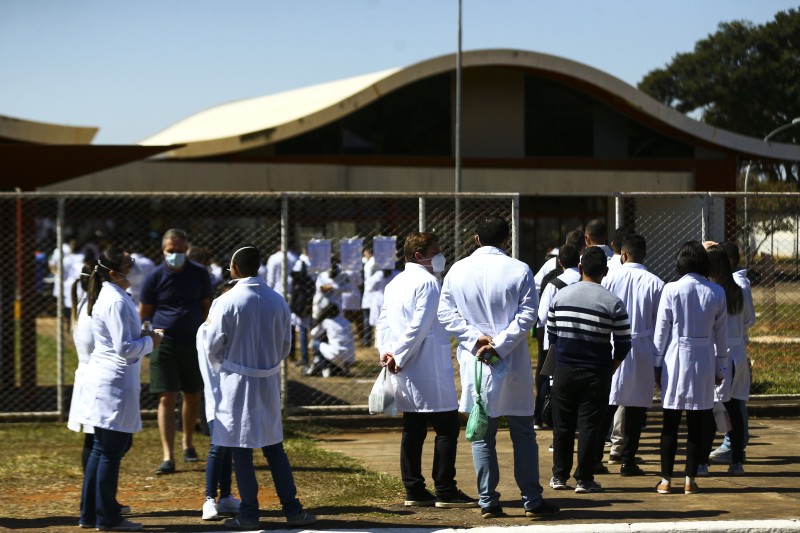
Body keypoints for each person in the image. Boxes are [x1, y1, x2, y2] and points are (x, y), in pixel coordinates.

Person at [438, 216, 559, 519]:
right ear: (508, 239)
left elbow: (446, 313)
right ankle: (532, 499)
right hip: (511, 359)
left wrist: (474, 339)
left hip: (476, 358)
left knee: (482, 431)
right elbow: (528, 316)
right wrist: (501, 345)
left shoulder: (457, 270)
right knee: (522, 433)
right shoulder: (519, 270)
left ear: (476, 238)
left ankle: (488, 501)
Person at [205, 245, 316, 530]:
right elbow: (285, 347)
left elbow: (212, 347)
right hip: (267, 379)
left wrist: (229, 365)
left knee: (241, 448)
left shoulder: (227, 301)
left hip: (236, 381)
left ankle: (250, 512)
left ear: (235, 269)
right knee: (273, 446)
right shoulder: (277, 300)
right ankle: (292, 508)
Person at [377, 232, 477, 509]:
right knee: (446, 427)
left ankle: (414, 488)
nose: (441, 254)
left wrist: (386, 352)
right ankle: (445, 489)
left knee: (414, 427)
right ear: (419, 255)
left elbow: (383, 322)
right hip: (425, 365)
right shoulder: (429, 283)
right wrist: (398, 355)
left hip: (404, 366)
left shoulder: (395, 283)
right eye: (437, 250)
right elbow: (419, 327)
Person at [79, 248, 161, 531]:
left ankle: (91, 514)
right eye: (129, 264)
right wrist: (152, 341)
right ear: (114, 273)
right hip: (113, 383)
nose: (134, 267)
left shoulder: (115, 296)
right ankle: (107, 518)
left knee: (102, 450)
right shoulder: (114, 301)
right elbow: (124, 347)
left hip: (111, 381)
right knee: (109, 452)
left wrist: (144, 335)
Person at [547, 247, 631, 494]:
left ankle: (559, 476)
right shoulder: (612, 302)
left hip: (563, 369)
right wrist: (611, 366)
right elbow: (624, 342)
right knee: (589, 426)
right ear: (605, 272)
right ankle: (584, 479)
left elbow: (552, 336)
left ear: (580, 268)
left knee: (562, 425)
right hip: (596, 372)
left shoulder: (560, 296)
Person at [653, 241, 728, 495]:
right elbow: (721, 336)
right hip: (704, 361)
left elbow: (662, 330)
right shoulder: (716, 292)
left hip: (674, 361)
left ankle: (665, 480)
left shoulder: (671, 289)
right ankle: (690, 479)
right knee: (697, 423)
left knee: (670, 423)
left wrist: (655, 362)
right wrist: (721, 367)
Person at [140, 228, 212, 474]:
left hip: (193, 343)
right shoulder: (154, 278)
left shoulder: (199, 274)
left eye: (181, 251)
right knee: (166, 397)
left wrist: (203, 335)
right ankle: (168, 456)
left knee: (192, 395)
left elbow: (206, 307)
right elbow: (145, 312)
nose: (176, 255)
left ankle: (188, 443)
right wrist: (149, 338)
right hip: (165, 343)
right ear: (163, 250)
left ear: (187, 250)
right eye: (172, 251)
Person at [601, 234, 664, 476]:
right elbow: (661, 321)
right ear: (644, 255)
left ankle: (595, 457)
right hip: (642, 346)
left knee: (607, 402)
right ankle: (628, 459)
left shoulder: (610, 279)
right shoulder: (656, 283)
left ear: (623, 255)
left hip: (612, 343)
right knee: (636, 407)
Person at [704, 243, 754, 476]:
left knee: (707, 408)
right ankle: (736, 461)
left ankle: (702, 461)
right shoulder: (740, 290)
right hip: (738, 353)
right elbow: (748, 321)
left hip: (717, 353)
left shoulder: (713, 292)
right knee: (734, 407)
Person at [197, 279, 241, 521]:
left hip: (231, 396)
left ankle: (225, 496)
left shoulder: (227, 328)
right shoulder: (206, 330)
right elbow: (213, 368)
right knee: (218, 447)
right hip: (218, 399)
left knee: (228, 449)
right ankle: (209, 499)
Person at [306, 302, 356, 377]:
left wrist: (319, 322)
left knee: (314, 343)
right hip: (351, 356)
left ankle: (325, 369)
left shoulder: (327, 321)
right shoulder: (346, 321)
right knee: (332, 344)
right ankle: (344, 368)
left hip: (336, 354)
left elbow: (313, 333)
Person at [360, 244, 377, 346]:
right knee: (368, 317)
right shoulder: (370, 261)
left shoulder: (372, 263)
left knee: (368, 317)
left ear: (367, 251)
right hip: (369, 293)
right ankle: (368, 339)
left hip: (372, 293)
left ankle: (367, 339)